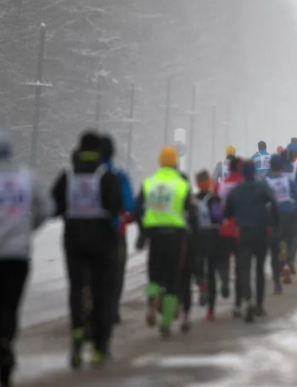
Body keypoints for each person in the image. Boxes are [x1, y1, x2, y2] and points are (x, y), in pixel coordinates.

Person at [0, 132, 52, 386]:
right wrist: (27, 227)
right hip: (18, 254)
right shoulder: (27, 176)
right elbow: (47, 207)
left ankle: (0, 349)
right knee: (11, 304)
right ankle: (6, 341)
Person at [51, 131, 122, 367]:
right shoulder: (106, 175)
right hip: (102, 242)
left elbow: (55, 205)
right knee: (102, 291)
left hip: (74, 240)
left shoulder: (68, 175)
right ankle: (100, 347)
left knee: (76, 289)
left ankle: (77, 334)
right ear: (99, 151)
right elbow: (116, 206)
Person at [135, 146, 197, 337]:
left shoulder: (149, 183)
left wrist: (143, 230)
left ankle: (152, 299)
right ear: (175, 163)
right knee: (172, 279)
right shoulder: (182, 184)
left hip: (155, 235)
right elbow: (192, 212)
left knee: (154, 273)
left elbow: (137, 209)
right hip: (175, 236)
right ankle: (166, 323)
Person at [223, 160, 279, 322]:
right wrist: (274, 223)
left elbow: (227, 213)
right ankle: (260, 305)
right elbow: (274, 205)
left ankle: (248, 300)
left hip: (244, 232)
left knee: (244, 268)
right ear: (254, 172)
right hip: (261, 231)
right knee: (260, 268)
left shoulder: (237, 190)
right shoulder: (263, 187)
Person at [98, 135, 136, 324]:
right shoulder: (118, 176)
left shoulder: (81, 174)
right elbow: (129, 205)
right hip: (114, 231)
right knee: (115, 271)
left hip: (83, 233)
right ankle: (111, 308)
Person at [264, 155, 297, 285]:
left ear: (270, 166)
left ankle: (277, 275)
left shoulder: (265, 181)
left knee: (274, 244)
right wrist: (294, 208)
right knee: (291, 239)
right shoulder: (288, 181)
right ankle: (288, 262)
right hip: (288, 213)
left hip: (272, 216)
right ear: (281, 167)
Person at [213, 156, 242, 317]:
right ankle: (237, 304)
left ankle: (224, 280)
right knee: (240, 268)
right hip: (241, 230)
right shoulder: (245, 184)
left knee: (223, 261)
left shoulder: (221, 184)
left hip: (224, 230)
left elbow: (214, 207)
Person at [193, 170, 223, 321]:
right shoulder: (215, 199)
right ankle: (211, 310)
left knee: (197, 265)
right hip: (213, 237)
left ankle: (201, 285)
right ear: (209, 182)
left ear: (197, 183)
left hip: (197, 237)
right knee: (211, 272)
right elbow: (218, 218)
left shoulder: (194, 199)